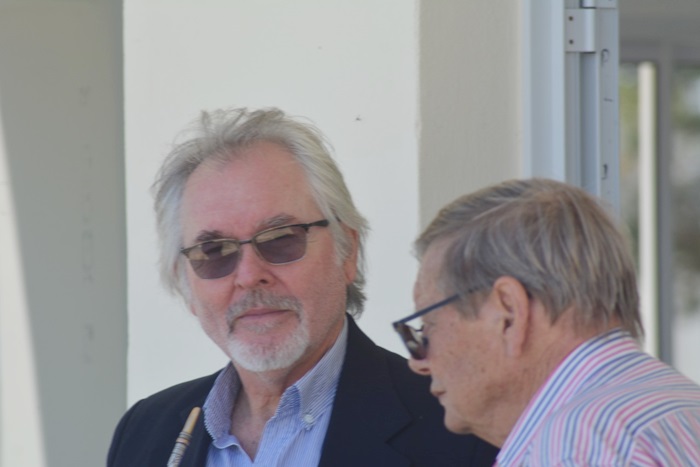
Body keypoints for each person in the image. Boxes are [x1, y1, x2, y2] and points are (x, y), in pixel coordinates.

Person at [107, 107, 499, 466]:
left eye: (281, 238)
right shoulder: (146, 433)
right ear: (185, 283)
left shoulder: (462, 428)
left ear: (347, 252)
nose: (249, 275)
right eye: (214, 252)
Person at [394, 178, 700, 466]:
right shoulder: (678, 408)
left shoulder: (574, 447)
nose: (418, 364)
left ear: (509, 314)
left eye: (427, 327)